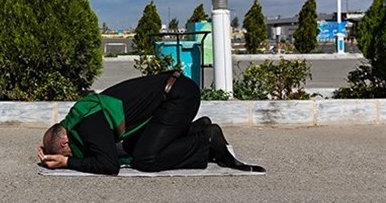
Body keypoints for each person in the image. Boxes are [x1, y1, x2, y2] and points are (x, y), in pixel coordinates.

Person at [37, 70, 264, 175]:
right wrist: (49, 148)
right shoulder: (80, 117)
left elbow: (108, 165)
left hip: (179, 96)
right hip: (173, 95)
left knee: (146, 159)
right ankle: (198, 128)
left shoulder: (87, 125)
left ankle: (207, 139)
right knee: (136, 147)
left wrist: (68, 164)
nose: (69, 156)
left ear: (66, 142)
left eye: (65, 153)